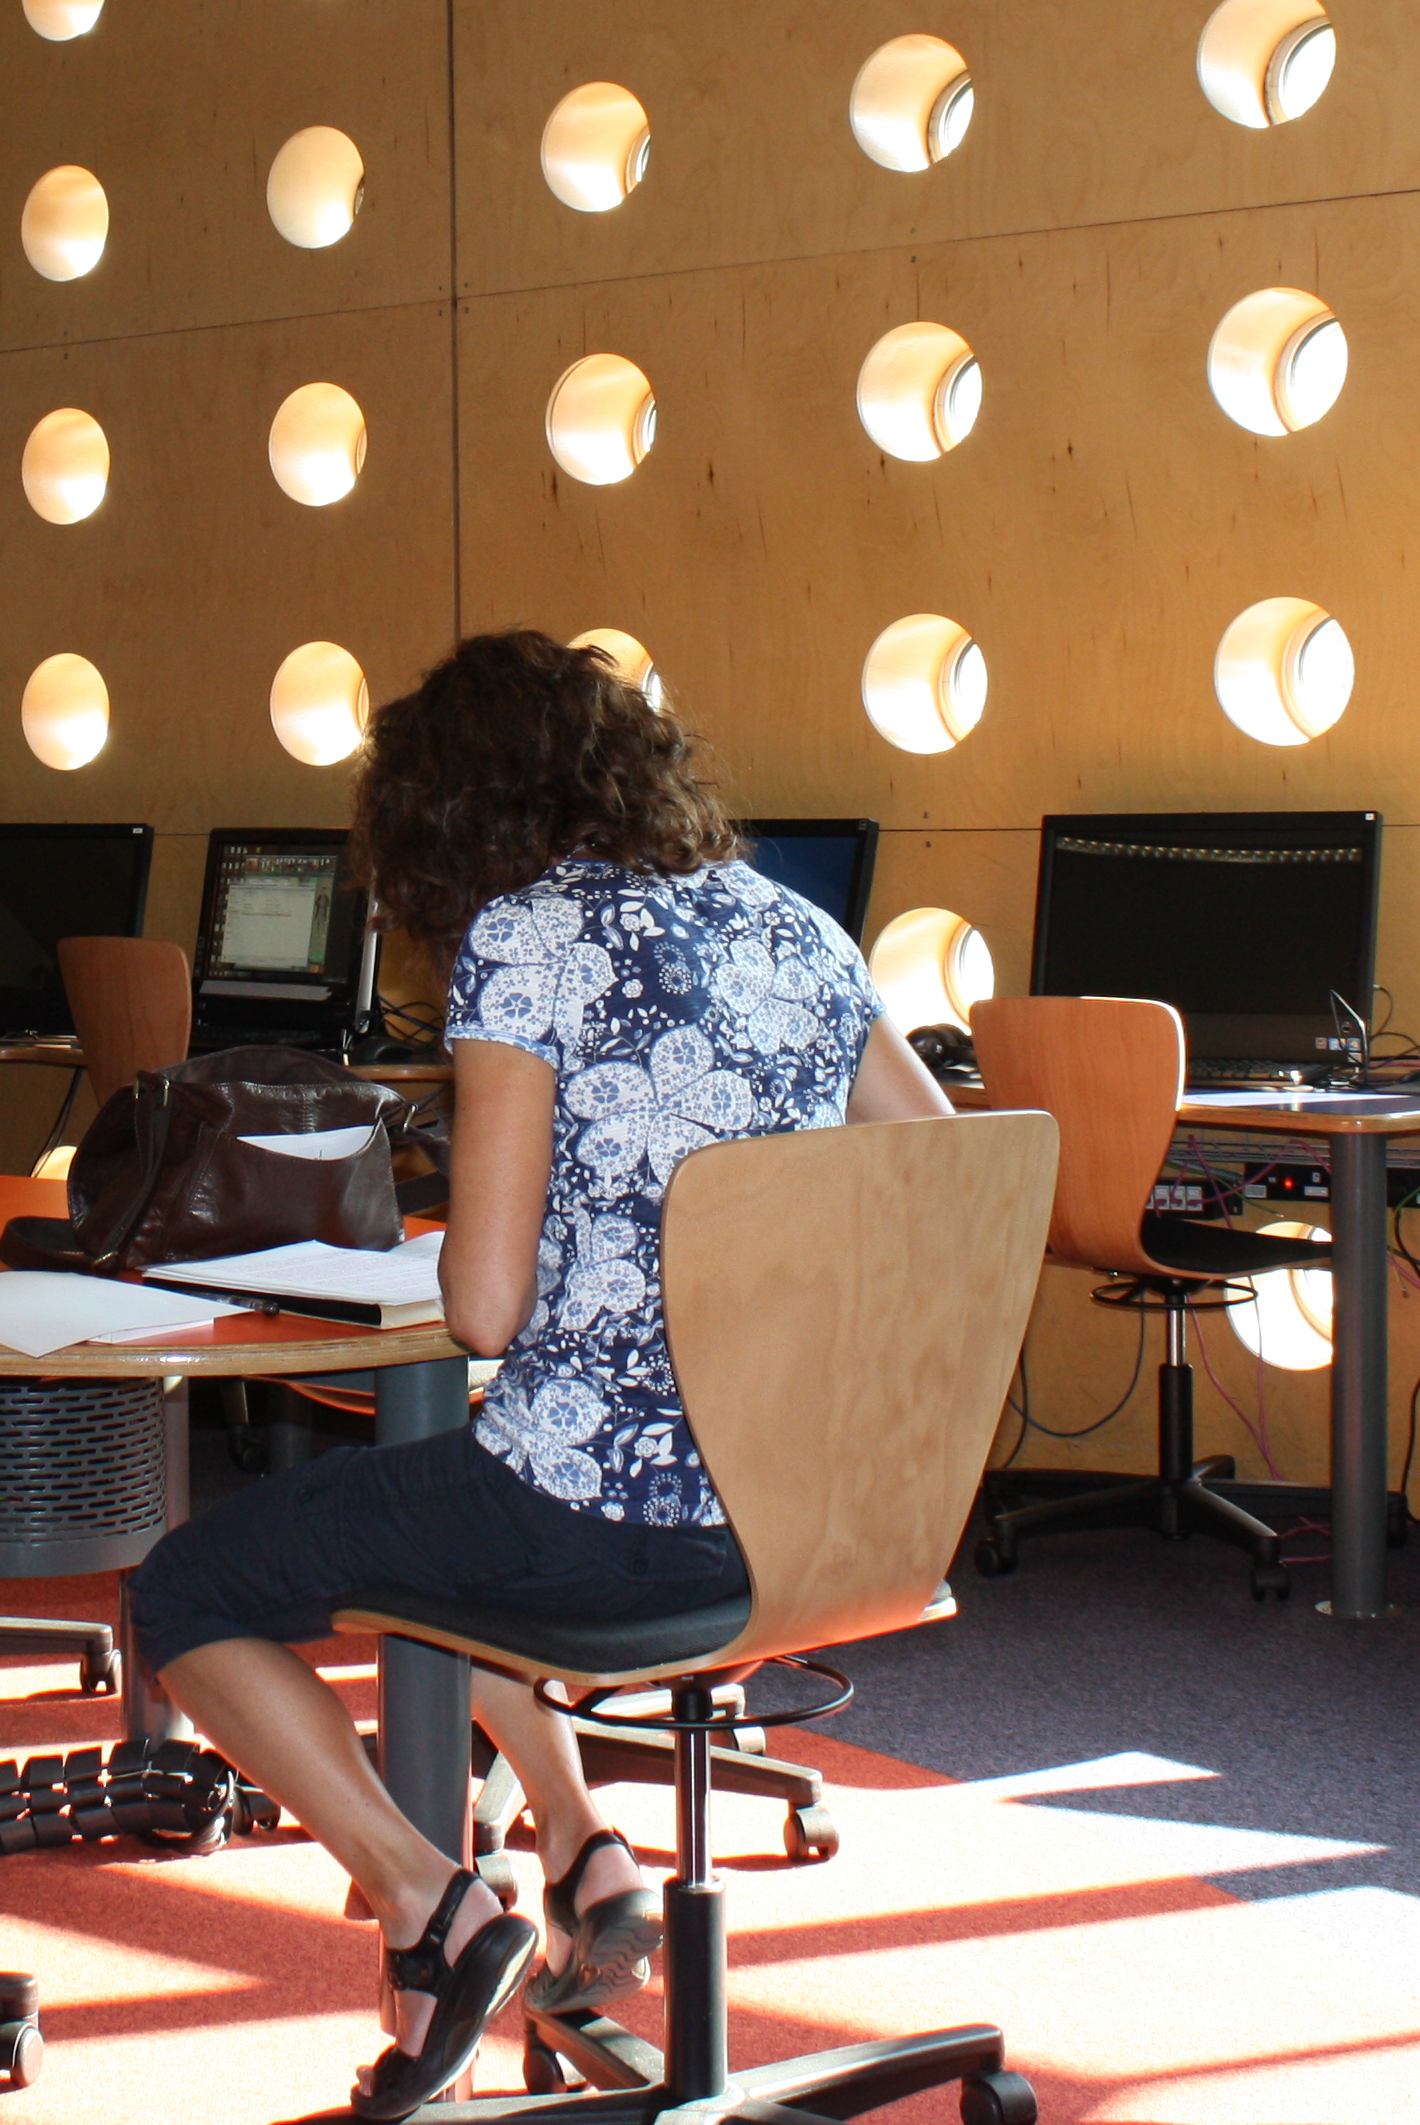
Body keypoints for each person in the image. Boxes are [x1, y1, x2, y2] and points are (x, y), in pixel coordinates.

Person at [128, 631, 953, 2116]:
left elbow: (488, 1309)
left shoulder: (527, 939)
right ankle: (576, 1841)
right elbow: (946, 1182)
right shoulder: (803, 934)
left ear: (448, 816)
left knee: (188, 1588)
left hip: (611, 1527)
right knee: (441, 1527)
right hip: (826, 1506)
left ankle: (429, 1903)